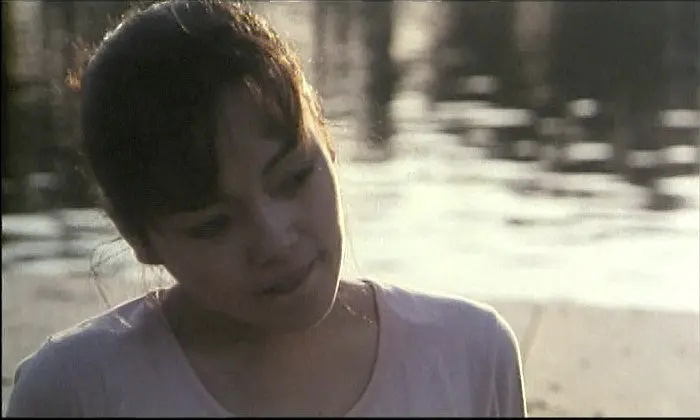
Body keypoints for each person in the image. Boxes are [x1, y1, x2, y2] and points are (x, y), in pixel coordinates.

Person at [6, 0, 527, 417]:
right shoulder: (73, 392)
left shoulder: (468, 356)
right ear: (138, 236)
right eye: (214, 224)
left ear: (327, 141)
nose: (275, 241)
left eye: (295, 177)